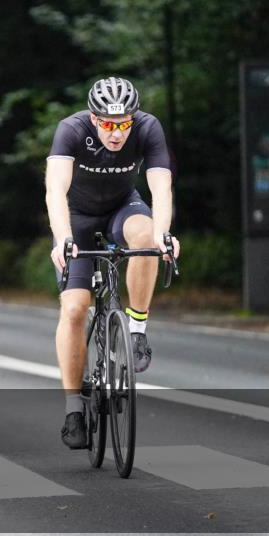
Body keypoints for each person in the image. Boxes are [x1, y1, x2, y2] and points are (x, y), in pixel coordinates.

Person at [45, 77, 180, 450]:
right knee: (75, 308)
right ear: (93, 117)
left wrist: (164, 234)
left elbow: (160, 186)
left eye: (123, 124)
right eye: (107, 124)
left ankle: (136, 330)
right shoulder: (71, 130)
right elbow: (55, 188)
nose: (117, 133)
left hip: (124, 207)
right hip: (78, 219)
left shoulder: (149, 127)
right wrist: (62, 238)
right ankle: (74, 407)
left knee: (147, 236)